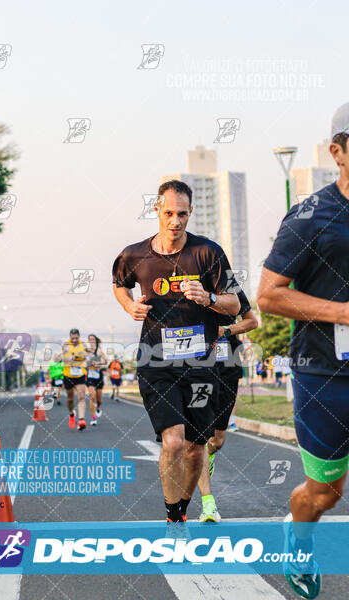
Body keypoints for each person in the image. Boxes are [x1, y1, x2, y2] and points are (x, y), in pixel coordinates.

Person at [257, 103, 349, 599]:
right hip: (325, 377)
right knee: (324, 494)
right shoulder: (311, 216)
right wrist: (343, 312)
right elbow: (269, 294)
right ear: (338, 151)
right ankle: (300, 534)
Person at [112, 179, 240, 524]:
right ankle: (173, 515)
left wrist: (209, 298)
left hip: (201, 364)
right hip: (156, 362)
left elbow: (235, 304)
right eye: (168, 213)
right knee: (172, 442)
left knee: (196, 447)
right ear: (156, 210)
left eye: (182, 214)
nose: (175, 221)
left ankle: (182, 505)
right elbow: (119, 283)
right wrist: (128, 306)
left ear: (191, 212)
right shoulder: (135, 254)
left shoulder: (208, 253)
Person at [197, 289, 258, 522]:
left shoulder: (231, 288)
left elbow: (252, 321)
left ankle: (209, 457)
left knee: (217, 440)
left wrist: (225, 330)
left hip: (228, 365)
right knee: (200, 437)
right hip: (197, 366)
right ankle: (208, 503)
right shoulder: (186, 286)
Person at [61, 328, 87, 430]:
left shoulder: (83, 345)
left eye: (76, 338)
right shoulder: (65, 345)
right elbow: (61, 358)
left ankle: (81, 420)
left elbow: (86, 356)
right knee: (70, 399)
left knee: (81, 396)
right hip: (68, 375)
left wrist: (78, 356)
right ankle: (71, 414)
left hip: (79, 374)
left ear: (79, 336)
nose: (74, 340)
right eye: (72, 338)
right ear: (70, 337)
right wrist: (69, 358)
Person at [85, 334, 107, 425]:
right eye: (90, 339)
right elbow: (83, 361)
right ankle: (93, 418)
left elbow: (106, 361)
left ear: (96, 340)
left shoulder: (99, 351)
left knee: (99, 400)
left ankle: (98, 407)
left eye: (93, 339)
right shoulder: (86, 351)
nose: (91, 341)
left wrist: (99, 363)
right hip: (90, 376)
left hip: (98, 376)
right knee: (92, 396)